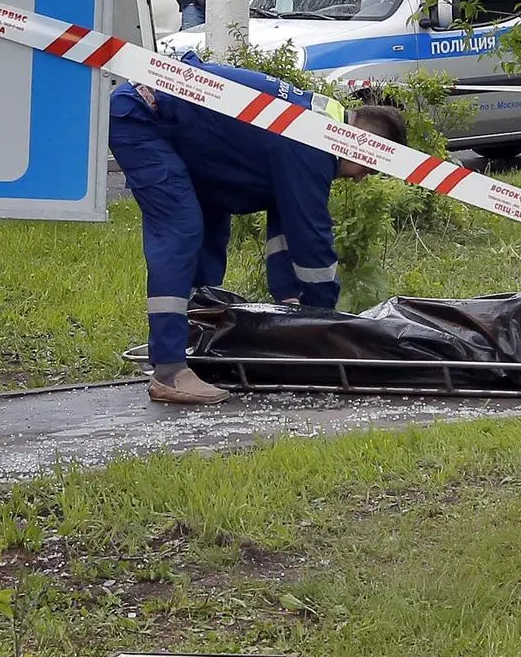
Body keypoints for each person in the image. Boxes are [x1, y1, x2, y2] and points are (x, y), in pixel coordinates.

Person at [109, 55, 408, 405]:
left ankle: (197, 341)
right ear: (360, 142)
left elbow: (288, 223)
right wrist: (324, 324)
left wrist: (290, 305)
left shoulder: (315, 124)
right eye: (369, 168)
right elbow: (312, 244)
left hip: (173, 123)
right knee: (182, 230)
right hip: (142, 118)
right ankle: (169, 371)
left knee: (210, 219)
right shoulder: (312, 144)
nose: (360, 178)